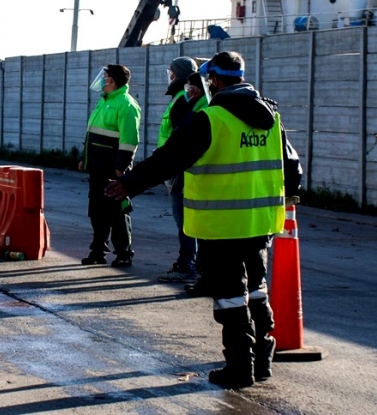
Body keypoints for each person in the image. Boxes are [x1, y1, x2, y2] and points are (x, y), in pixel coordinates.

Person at [104, 51, 297, 389]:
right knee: (256, 290)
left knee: (230, 297)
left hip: (222, 224)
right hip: (261, 222)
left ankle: (240, 368)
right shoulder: (271, 116)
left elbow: (169, 159)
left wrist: (129, 184)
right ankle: (262, 362)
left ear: (215, 81)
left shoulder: (210, 118)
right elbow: (291, 166)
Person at [77, 64, 141, 268]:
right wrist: (84, 159)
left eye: (104, 77)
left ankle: (124, 253)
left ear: (112, 80)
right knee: (96, 211)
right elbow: (92, 135)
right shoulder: (104, 102)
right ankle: (98, 251)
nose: (101, 80)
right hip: (97, 168)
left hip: (113, 169)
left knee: (117, 213)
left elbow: (129, 140)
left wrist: (121, 167)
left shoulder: (126, 104)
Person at [156, 57, 207, 284]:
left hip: (179, 168)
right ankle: (195, 264)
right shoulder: (193, 96)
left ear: (176, 75)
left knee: (184, 220)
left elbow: (178, 136)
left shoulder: (183, 99)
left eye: (171, 72)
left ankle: (187, 264)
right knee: (190, 220)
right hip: (183, 167)